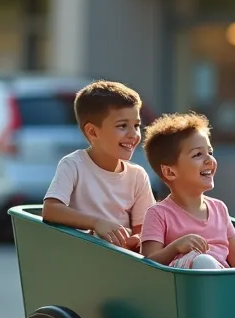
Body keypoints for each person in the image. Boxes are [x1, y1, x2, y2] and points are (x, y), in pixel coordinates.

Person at [42, 80, 156, 251]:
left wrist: (134, 240)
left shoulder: (138, 176)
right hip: (81, 260)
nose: (133, 134)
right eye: (122, 126)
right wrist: (96, 223)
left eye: (137, 125)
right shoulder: (73, 165)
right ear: (93, 132)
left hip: (119, 262)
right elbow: (51, 210)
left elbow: (145, 231)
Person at [140, 112, 235, 269]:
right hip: (185, 284)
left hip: (219, 281)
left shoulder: (219, 208)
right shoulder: (158, 214)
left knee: (209, 263)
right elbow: (148, 263)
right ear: (170, 172)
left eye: (210, 152)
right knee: (202, 261)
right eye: (198, 154)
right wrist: (175, 247)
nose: (209, 160)